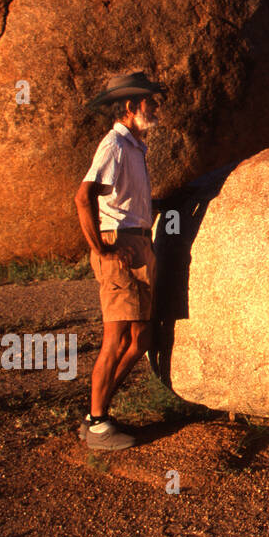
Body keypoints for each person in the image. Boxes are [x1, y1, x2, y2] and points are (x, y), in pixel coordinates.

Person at [73, 71, 167, 451]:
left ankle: (97, 412)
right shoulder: (113, 144)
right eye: (150, 102)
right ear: (131, 107)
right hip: (120, 249)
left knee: (141, 338)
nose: (156, 107)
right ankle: (97, 424)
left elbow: (129, 202)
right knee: (115, 339)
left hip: (139, 244)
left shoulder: (135, 147)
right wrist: (103, 249)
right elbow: (83, 198)